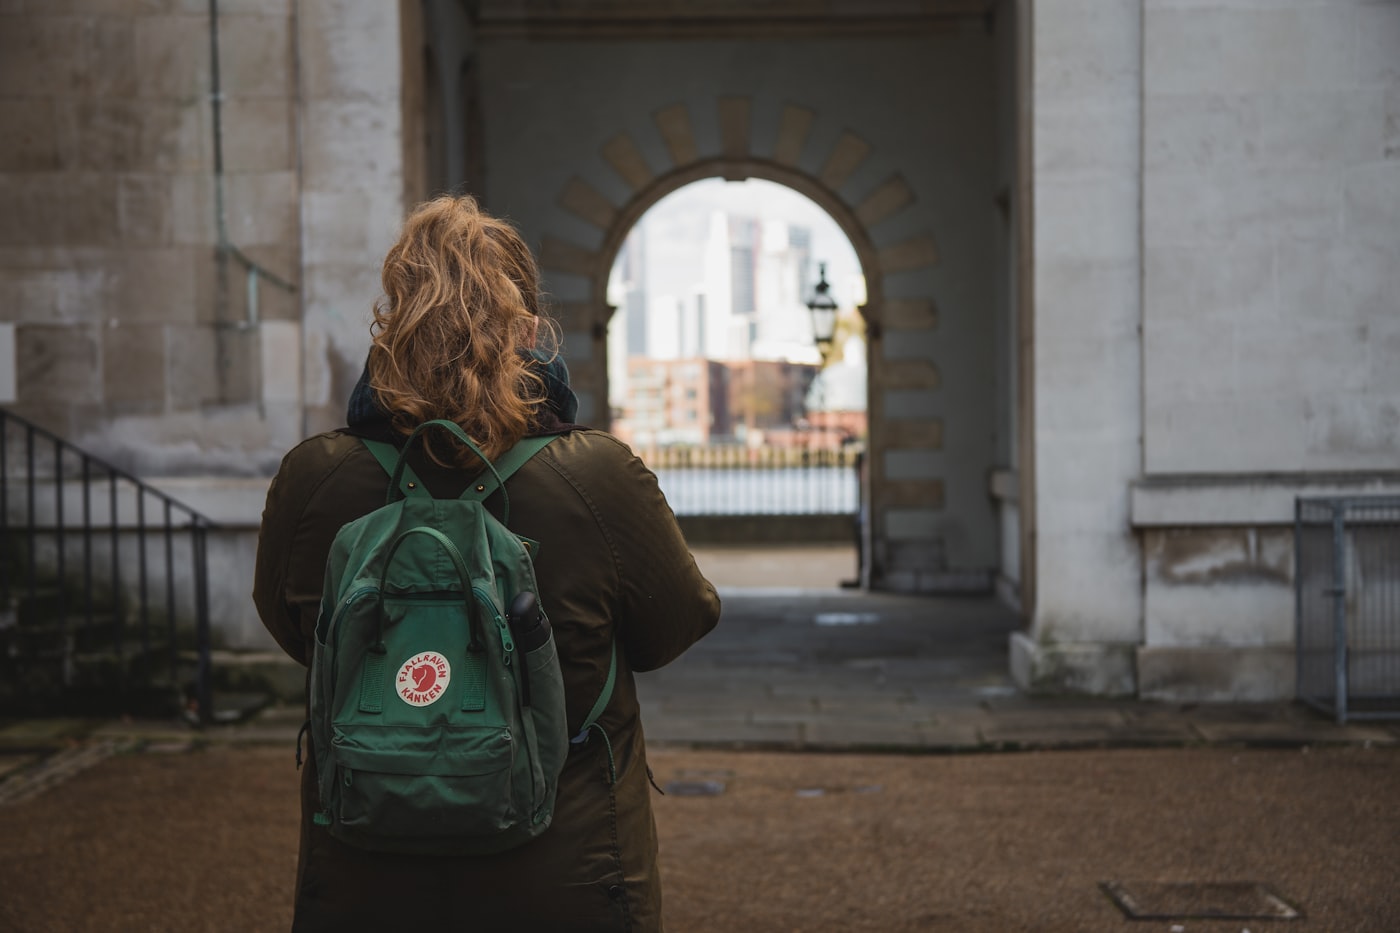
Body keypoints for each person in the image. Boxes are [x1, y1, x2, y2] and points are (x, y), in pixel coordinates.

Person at [253, 195, 721, 932]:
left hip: (367, 876)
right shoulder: (597, 479)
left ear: (392, 320)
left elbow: (294, 628)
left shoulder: (316, 479)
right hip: (566, 871)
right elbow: (674, 626)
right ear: (529, 328)